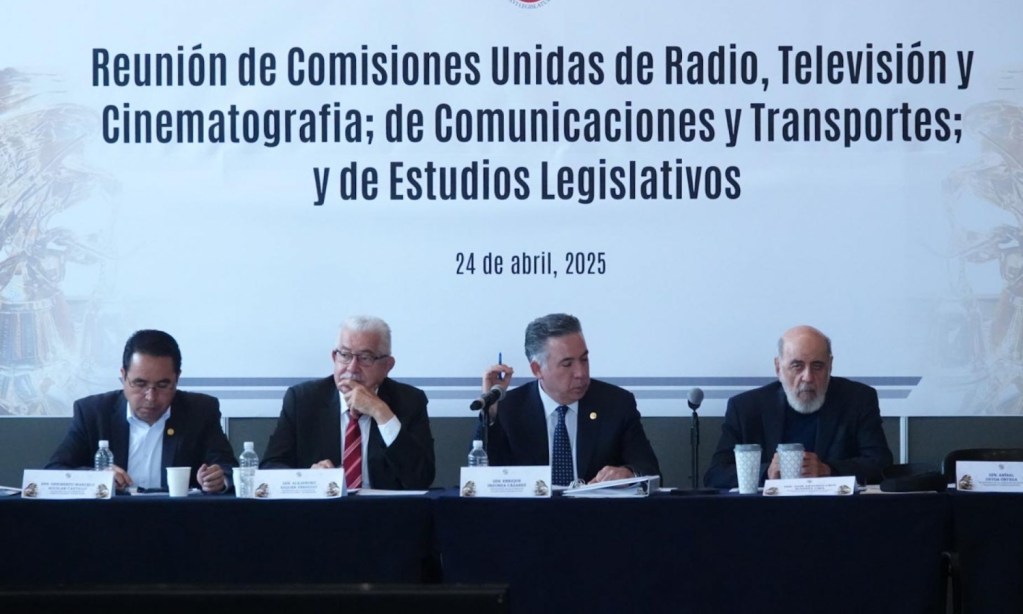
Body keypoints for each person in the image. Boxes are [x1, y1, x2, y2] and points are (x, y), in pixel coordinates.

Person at [704, 325, 893, 489]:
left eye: (817, 366)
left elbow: (881, 465)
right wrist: (766, 472)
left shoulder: (857, 400)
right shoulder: (746, 408)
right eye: (797, 366)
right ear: (778, 368)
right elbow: (716, 475)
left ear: (830, 366)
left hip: (837, 511)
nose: (808, 377)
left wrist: (827, 470)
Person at [479, 313, 660, 484]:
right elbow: (481, 478)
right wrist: (490, 413)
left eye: (584, 360)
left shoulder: (616, 404)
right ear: (537, 369)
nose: (580, 373)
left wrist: (629, 473)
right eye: (567, 364)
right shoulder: (510, 408)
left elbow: (650, 471)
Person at [47, 329, 236, 493]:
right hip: (109, 518)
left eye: (162, 385)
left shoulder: (200, 411)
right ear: (123, 376)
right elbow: (54, 471)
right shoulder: (93, 412)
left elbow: (229, 468)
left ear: (177, 379)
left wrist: (220, 480)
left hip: (179, 518)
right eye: (140, 384)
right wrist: (96, 478)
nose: (151, 397)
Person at [261, 315, 435, 490]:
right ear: (334, 357)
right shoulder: (303, 400)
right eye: (345, 355)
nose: (352, 368)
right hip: (323, 507)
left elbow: (421, 478)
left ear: (387, 366)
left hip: (385, 507)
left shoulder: (410, 401)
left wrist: (380, 412)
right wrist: (307, 478)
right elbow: (270, 468)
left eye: (365, 357)